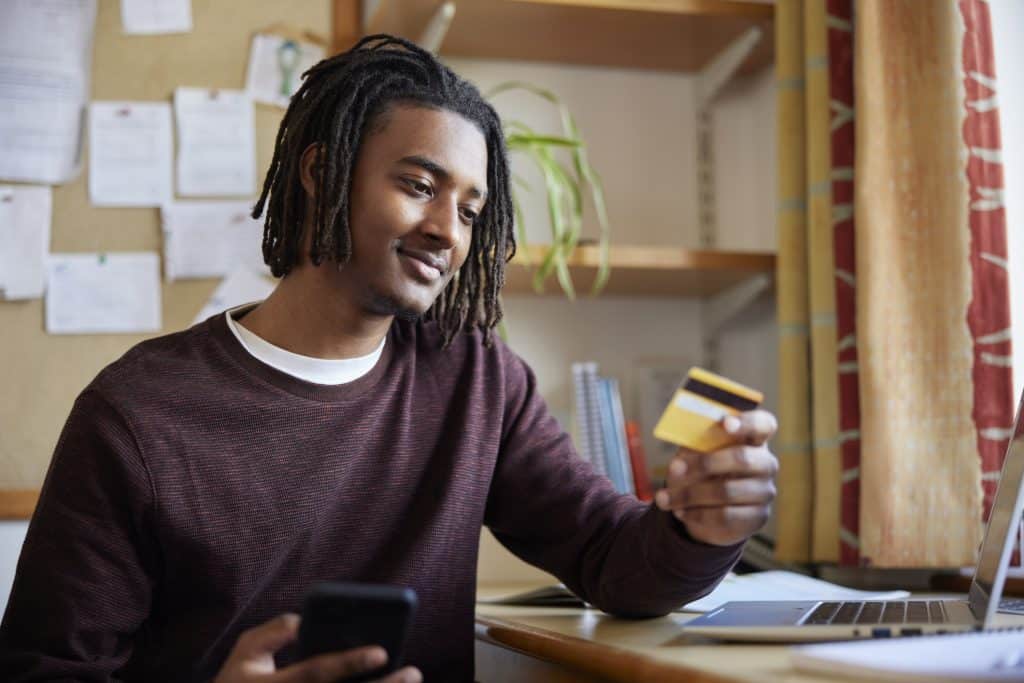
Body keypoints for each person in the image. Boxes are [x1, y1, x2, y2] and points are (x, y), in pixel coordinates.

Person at [0, 35, 779, 682]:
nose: (448, 230)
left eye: (470, 210)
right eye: (418, 185)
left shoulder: (476, 380)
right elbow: (44, 670)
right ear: (321, 172)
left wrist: (702, 528)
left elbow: (614, 559)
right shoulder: (138, 411)